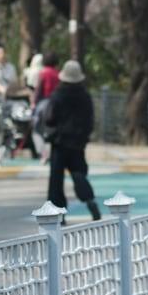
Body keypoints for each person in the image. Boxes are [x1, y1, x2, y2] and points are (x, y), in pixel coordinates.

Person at [40, 60, 102, 221]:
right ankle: (89, 199)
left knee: (56, 180)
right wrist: (84, 136)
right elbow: (90, 120)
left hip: (60, 142)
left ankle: (58, 214)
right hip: (78, 143)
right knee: (78, 172)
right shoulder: (85, 96)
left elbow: (49, 117)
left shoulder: (58, 95)